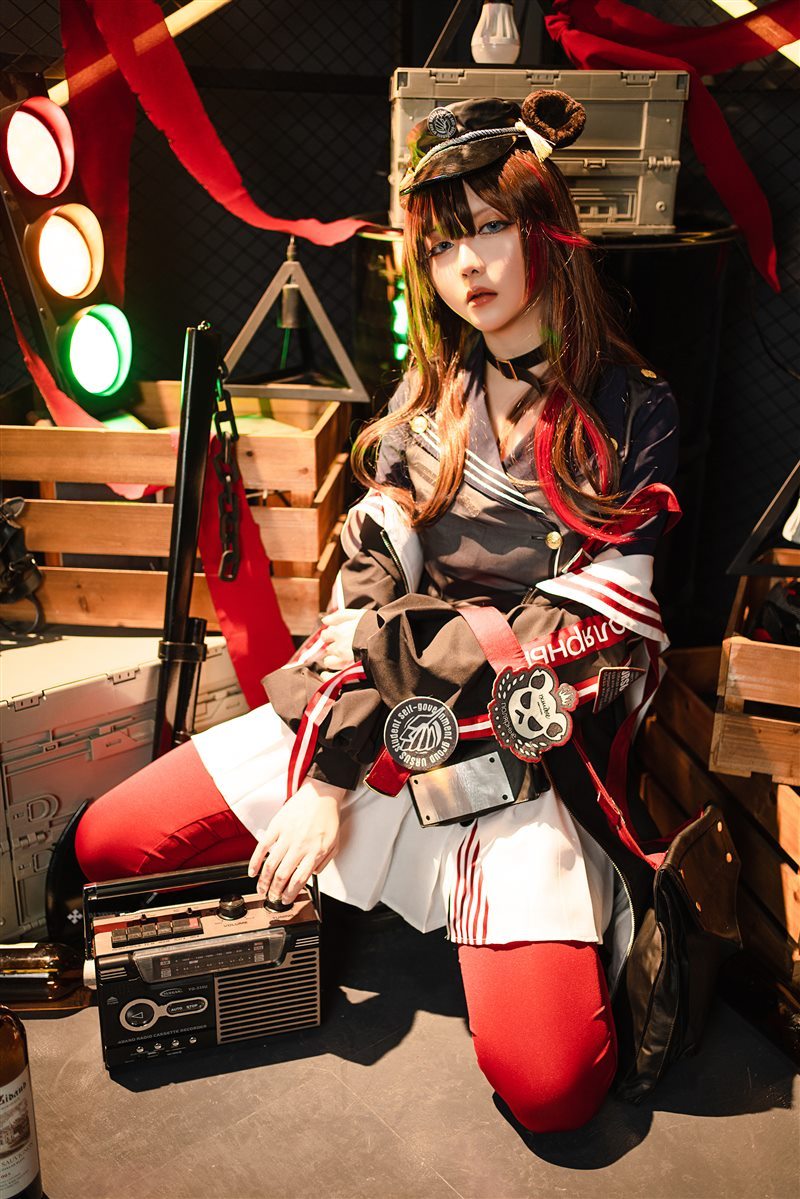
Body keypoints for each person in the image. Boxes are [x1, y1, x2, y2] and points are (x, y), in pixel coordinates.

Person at [76, 90, 681, 1133]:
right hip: (374, 711)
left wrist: (356, 740)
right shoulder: (423, 403)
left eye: (489, 227)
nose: (467, 265)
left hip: (518, 750)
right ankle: (348, 874)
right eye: (441, 244)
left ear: (542, 225)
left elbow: (579, 621)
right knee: (109, 842)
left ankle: (449, 907)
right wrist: (332, 770)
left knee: (554, 1088)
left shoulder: (634, 409)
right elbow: (362, 596)